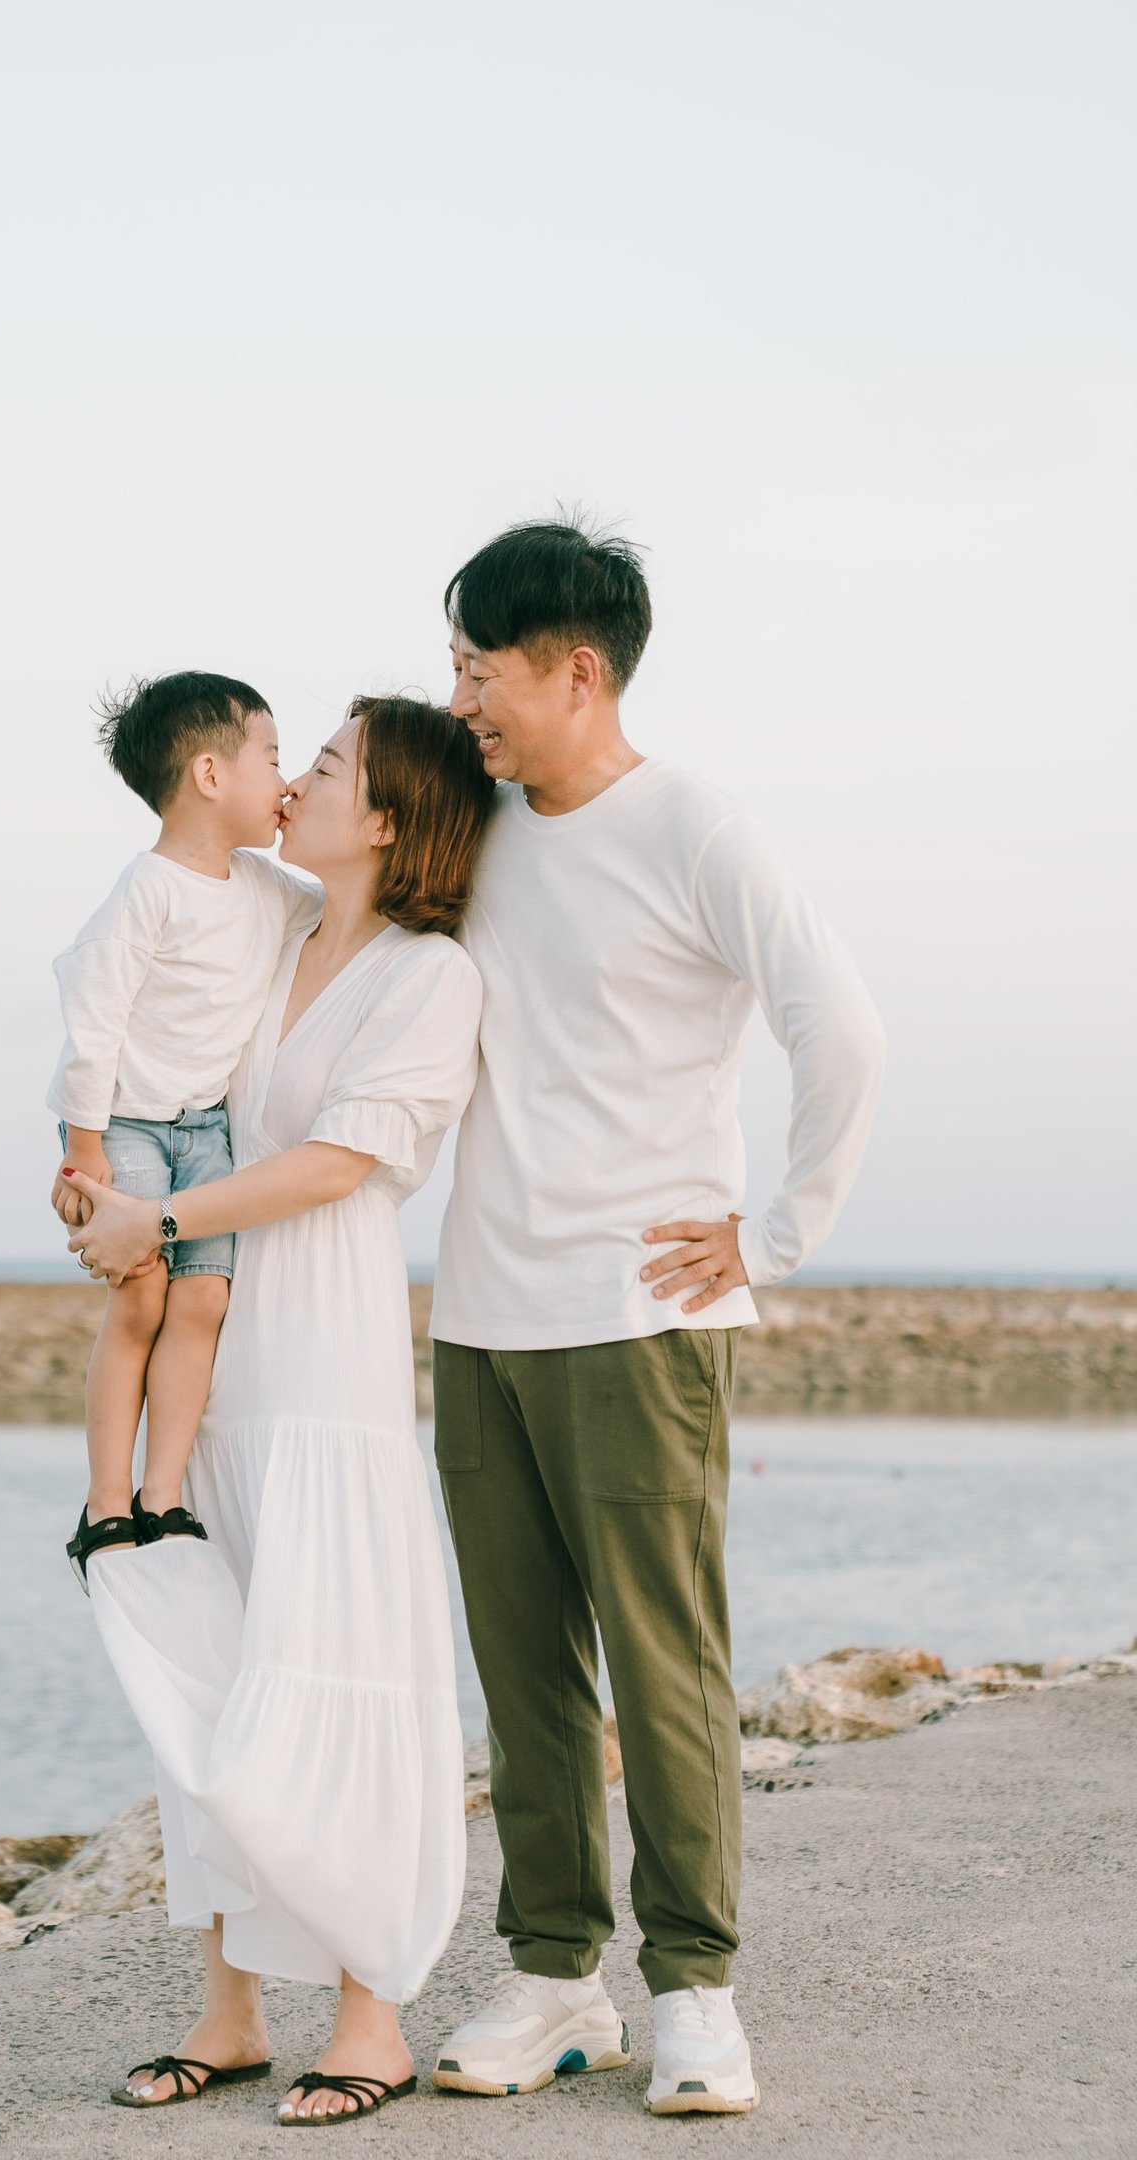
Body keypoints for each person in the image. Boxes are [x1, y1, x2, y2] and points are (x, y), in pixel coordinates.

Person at [428, 517, 886, 2118]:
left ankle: (695, 1991)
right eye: (455, 670)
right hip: (480, 1314)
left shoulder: (697, 826)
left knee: (662, 1656)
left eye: (482, 670)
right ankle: (558, 1977)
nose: (465, 698)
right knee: (521, 1667)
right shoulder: (474, 826)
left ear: (578, 668)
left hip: (638, 1314)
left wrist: (772, 1235)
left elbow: (844, 1027)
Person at [59, 695, 493, 2126]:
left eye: (326, 765)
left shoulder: (428, 975)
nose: (293, 777)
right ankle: (229, 2010)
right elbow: (139, 1047)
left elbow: (339, 1159)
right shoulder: (257, 923)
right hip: (217, 1361)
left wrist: (158, 1215)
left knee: (337, 1663)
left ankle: (372, 2012)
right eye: (288, 757)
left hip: (324, 1369)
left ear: (386, 817)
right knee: (207, 1670)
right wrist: (95, 1184)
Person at [46, 672, 318, 1588]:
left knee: (202, 1302)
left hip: (206, 1129)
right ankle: (105, 1495)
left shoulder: (266, 887)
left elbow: (340, 913)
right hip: (121, 1123)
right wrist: (83, 1152)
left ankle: (166, 1491)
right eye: (273, 758)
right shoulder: (148, 892)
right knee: (140, 1300)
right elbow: (94, 1022)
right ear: (209, 772)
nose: (285, 780)